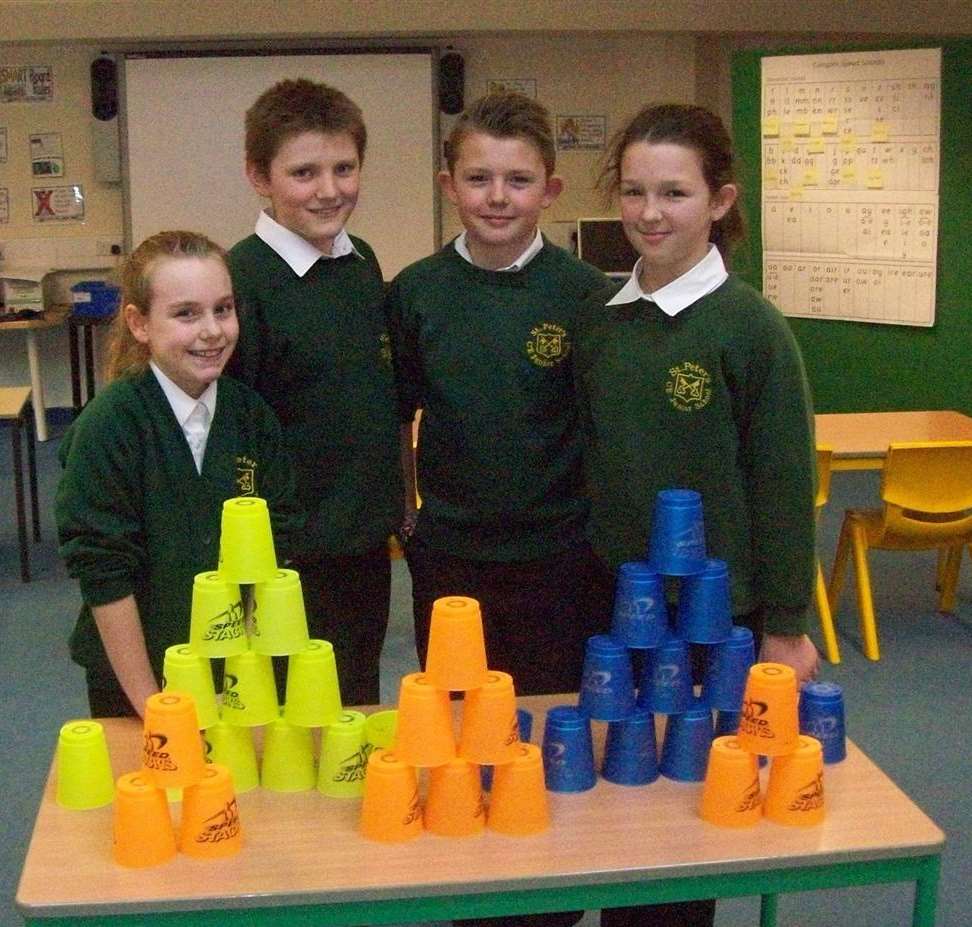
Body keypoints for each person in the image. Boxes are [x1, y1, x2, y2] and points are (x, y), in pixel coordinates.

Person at [573, 103, 818, 927]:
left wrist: (785, 622)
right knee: (614, 795)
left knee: (687, 816)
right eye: (634, 191)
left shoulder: (752, 330)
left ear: (720, 200)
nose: (649, 212)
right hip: (614, 607)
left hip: (718, 621)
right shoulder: (602, 324)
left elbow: (783, 485)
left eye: (673, 192)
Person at [387, 90, 611, 702]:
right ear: (449, 185)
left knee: (549, 717)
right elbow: (396, 415)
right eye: (478, 178)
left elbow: (605, 427)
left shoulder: (588, 296)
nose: (497, 197)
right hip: (451, 555)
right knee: (456, 718)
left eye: (519, 180)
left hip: (561, 554)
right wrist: (410, 520)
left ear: (550, 190)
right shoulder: (415, 293)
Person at [56, 230, 302, 718]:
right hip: (135, 682)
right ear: (140, 323)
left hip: (235, 675)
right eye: (186, 313)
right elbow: (104, 572)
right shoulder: (110, 426)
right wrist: (153, 706)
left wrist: (244, 672)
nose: (212, 330)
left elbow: (278, 545)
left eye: (223, 309)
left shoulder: (251, 417)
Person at [228, 78, 403, 706]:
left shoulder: (363, 264)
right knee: (286, 718)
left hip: (363, 542)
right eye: (304, 172)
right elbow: (229, 431)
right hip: (284, 557)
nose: (329, 190)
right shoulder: (240, 280)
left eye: (344, 168)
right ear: (260, 176)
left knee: (355, 701)